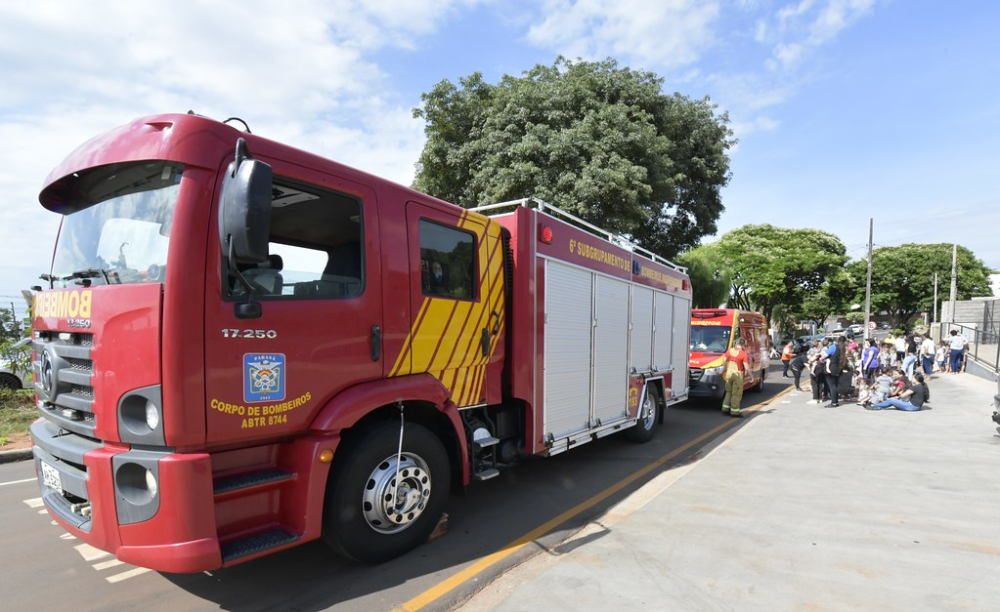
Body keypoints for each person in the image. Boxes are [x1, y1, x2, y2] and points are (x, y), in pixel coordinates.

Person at [721, 337, 752, 418]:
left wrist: (724, 370)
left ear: (737, 343)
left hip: (729, 373)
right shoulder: (743, 353)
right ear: (743, 345)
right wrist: (751, 376)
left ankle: (725, 409)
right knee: (737, 393)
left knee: (728, 391)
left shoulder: (729, 351)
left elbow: (724, 361)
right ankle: (734, 411)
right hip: (737, 375)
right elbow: (746, 367)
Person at [823, 337, 845, 407]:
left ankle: (834, 402)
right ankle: (836, 401)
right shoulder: (843, 348)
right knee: (835, 385)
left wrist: (821, 357)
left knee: (832, 386)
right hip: (838, 368)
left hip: (831, 367)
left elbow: (825, 355)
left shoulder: (834, 347)